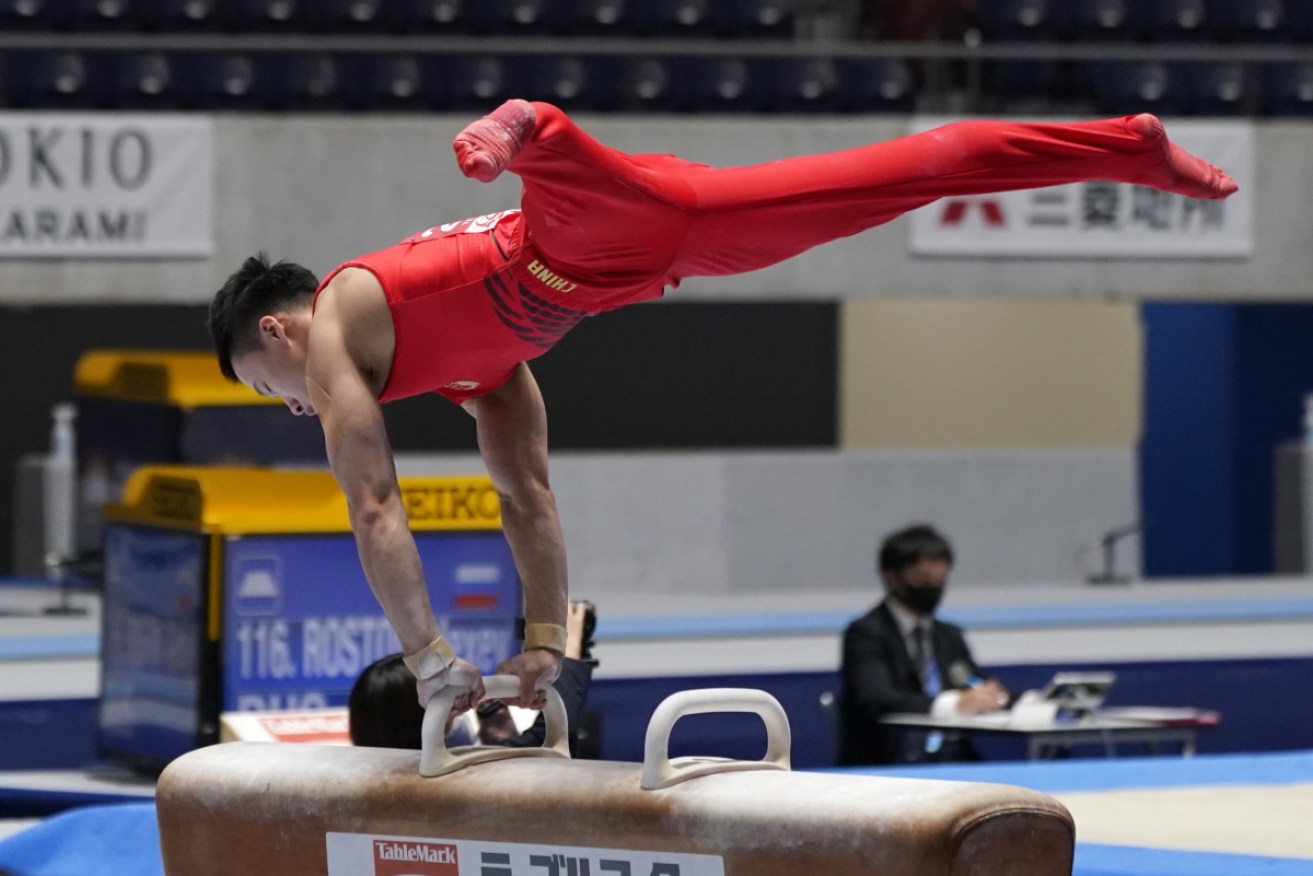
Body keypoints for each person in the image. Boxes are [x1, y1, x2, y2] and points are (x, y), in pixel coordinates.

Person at [208, 98, 1237, 712]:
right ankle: (1126, 143)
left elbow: (375, 507)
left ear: (278, 335)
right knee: (919, 173)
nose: (297, 409)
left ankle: (528, 127)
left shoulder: (341, 316)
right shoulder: (468, 373)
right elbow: (528, 500)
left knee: (561, 192)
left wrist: (427, 657)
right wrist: (544, 644)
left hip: (575, 230)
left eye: (272, 393)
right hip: (668, 248)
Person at [837, 524, 1007, 765]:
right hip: (887, 762)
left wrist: (998, 696)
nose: (933, 588)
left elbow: (972, 680)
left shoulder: (948, 635)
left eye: (941, 579)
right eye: (924, 577)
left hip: (953, 761)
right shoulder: (865, 634)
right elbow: (878, 699)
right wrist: (954, 704)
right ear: (892, 577)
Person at [349, 599, 597, 754]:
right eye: (437, 689)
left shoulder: (357, 772)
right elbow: (548, 742)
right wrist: (567, 644)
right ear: (416, 716)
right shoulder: (458, 777)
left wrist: (499, 740)